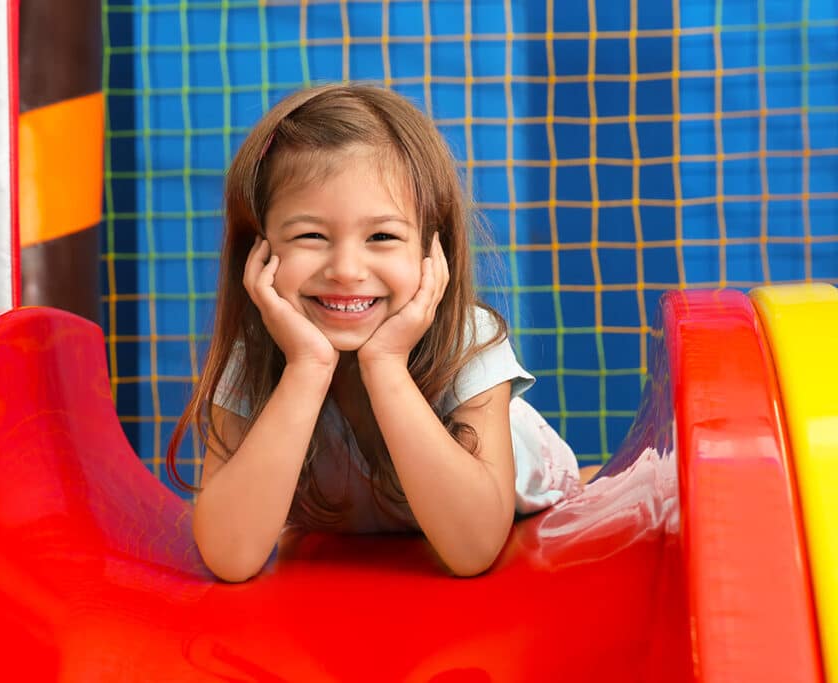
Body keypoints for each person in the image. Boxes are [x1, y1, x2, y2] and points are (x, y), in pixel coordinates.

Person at [166, 83, 583, 582]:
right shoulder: (254, 357)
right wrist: (307, 367)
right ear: (258, 253)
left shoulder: (469, 341)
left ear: (434, 251)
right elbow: (230, 558)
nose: (345, 269)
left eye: (382, 236)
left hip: (527, 494)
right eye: (310, 236)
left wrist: (385, 365)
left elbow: (473, 550)